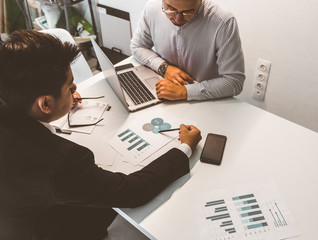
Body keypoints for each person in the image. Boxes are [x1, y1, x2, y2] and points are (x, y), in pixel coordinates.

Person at [0, 30, 202, 240]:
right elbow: (132, 192)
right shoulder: (61, 161)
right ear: (45, 104)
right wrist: (183, 148)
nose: (75, 88)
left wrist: (62, 101)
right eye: (70, 86)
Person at [130, 0, 245, 101]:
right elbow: (137, 46)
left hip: (206, 101)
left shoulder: (223, 22)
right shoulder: (151, 9)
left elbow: (234, 81)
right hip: (164, 91)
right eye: (171, 9)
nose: (178, 19)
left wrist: (184, 91)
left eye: (188, 12)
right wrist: (164, 67)